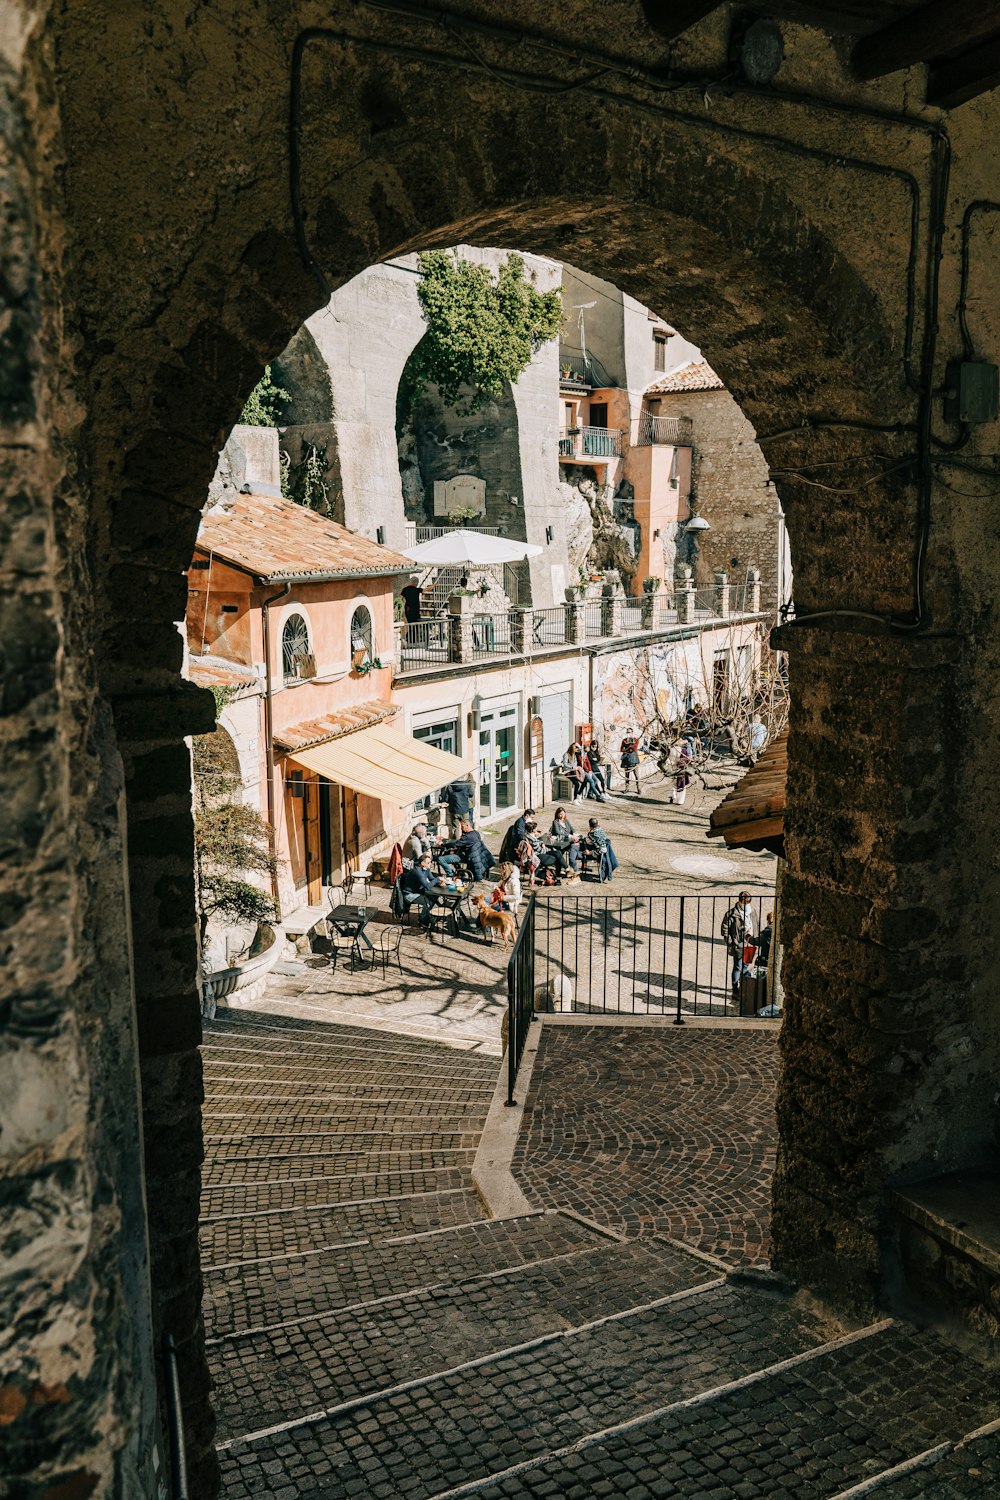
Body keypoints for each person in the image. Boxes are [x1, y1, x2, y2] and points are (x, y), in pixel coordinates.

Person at [721, 890, 759, 1001]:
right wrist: (731, 942)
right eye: (745, 903)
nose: (747, 905)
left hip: (750, 943)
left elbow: (756, 924)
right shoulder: (732, 913)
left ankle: (744, 987)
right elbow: (724, 929)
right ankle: (735, 990)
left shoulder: (753, 911)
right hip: (739, 944)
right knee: (738, 967)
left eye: (748, 903)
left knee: (746, 967)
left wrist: (755, 939)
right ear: (740, 901)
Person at [399, 853, 443, 926]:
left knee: (435, 896)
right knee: (428, 902)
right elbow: (427, 886)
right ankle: (422, 920)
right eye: (428, 863)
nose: (430, 864)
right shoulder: (417, 872)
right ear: (422, 863)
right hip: (410, 894)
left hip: (419, 891)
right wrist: (438, 879)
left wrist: (440, 882)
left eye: (431, 862)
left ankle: (427, 915)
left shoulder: (426, 869)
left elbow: (431, 878)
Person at [549, 807, 582, 876]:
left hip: (568, 842)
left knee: (575, 847)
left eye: (563, 814)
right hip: (560, 841)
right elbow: (558, 832)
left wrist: (575, 834)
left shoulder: (566, 821)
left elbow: (572, 829)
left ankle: (572, 868)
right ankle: (560, 870)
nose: (562, 816)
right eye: (560, 814)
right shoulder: (555, 822)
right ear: (557, 814)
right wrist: (570, 836)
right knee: (560, 853)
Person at [670, 739, 693, 806]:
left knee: (673, 783)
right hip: (681, 769)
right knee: (681, 784)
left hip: (672, 768)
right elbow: (688, 760)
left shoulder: (670, 750)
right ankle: (680, 800)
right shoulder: (683, 750)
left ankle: (672, 795)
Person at [619, 727, 641, 794]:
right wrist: (628, 749)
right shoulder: (624, 740)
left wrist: (630, 747)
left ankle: (638, 788)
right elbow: (621, 749)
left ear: (632, 733)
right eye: (627, 732)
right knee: (627, 775)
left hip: (634, 758)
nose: (629, 733)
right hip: (626, 759)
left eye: (630, 732)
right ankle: (627, 788)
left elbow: (634, 748)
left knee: (636, 774)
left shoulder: (635, 740)